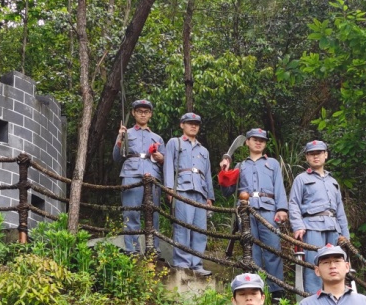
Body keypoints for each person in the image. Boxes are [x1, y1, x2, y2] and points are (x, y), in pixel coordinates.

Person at [221, 129, 289, 294]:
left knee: (273, 250)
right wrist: (224, 171)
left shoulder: (272, 163)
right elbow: (227, 192)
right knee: (251, 251)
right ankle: (256, 289)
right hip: (246, 212)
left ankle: (276, 292)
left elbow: (279, 186)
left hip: (268, 210)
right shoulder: (240, 165)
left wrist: (281, 209)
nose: (258, 142)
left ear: (265, 144)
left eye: (262, 140)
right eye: (254, 139)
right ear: (247, 142)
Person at [289, 141, 350, 294]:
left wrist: (345, 235)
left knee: (336, 264)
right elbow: (294, 203)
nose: (316, 156)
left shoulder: (333, 182)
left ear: (326, 155)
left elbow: (340, 211)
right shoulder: (301, 179)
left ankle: (337, 296)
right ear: (307, 157)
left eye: (319, 153)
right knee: (315, 264)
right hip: (312, 226)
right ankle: (314, 299)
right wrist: (298, 226)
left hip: (333, 227)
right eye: (311, 153)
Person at [163, 112, 214, 276]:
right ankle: (182, 264)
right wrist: (169, 189)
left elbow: (207, 174)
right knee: (183, 227)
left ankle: (197, 264)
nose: (193, 126)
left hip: (200, 191)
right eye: (189, 123)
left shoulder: (204, 150)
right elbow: (168, 166)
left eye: (196, 124)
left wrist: (209, 197)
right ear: (182, 125)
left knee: (200, 230)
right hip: (182, 189)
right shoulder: (174, 142)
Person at [113, 99, 165, 255]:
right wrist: (120, 138)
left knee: (153, 214)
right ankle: (132, 250)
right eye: (139, 111)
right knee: (131, 212)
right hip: (131, 174)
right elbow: (116, 158)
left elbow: (165, 162)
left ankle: (153, 249)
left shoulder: (158, 138)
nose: (143, 114)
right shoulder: (125, 133)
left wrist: (161, 157)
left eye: (146, 111)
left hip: (153, 175)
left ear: (150, 114)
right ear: (133, 113)